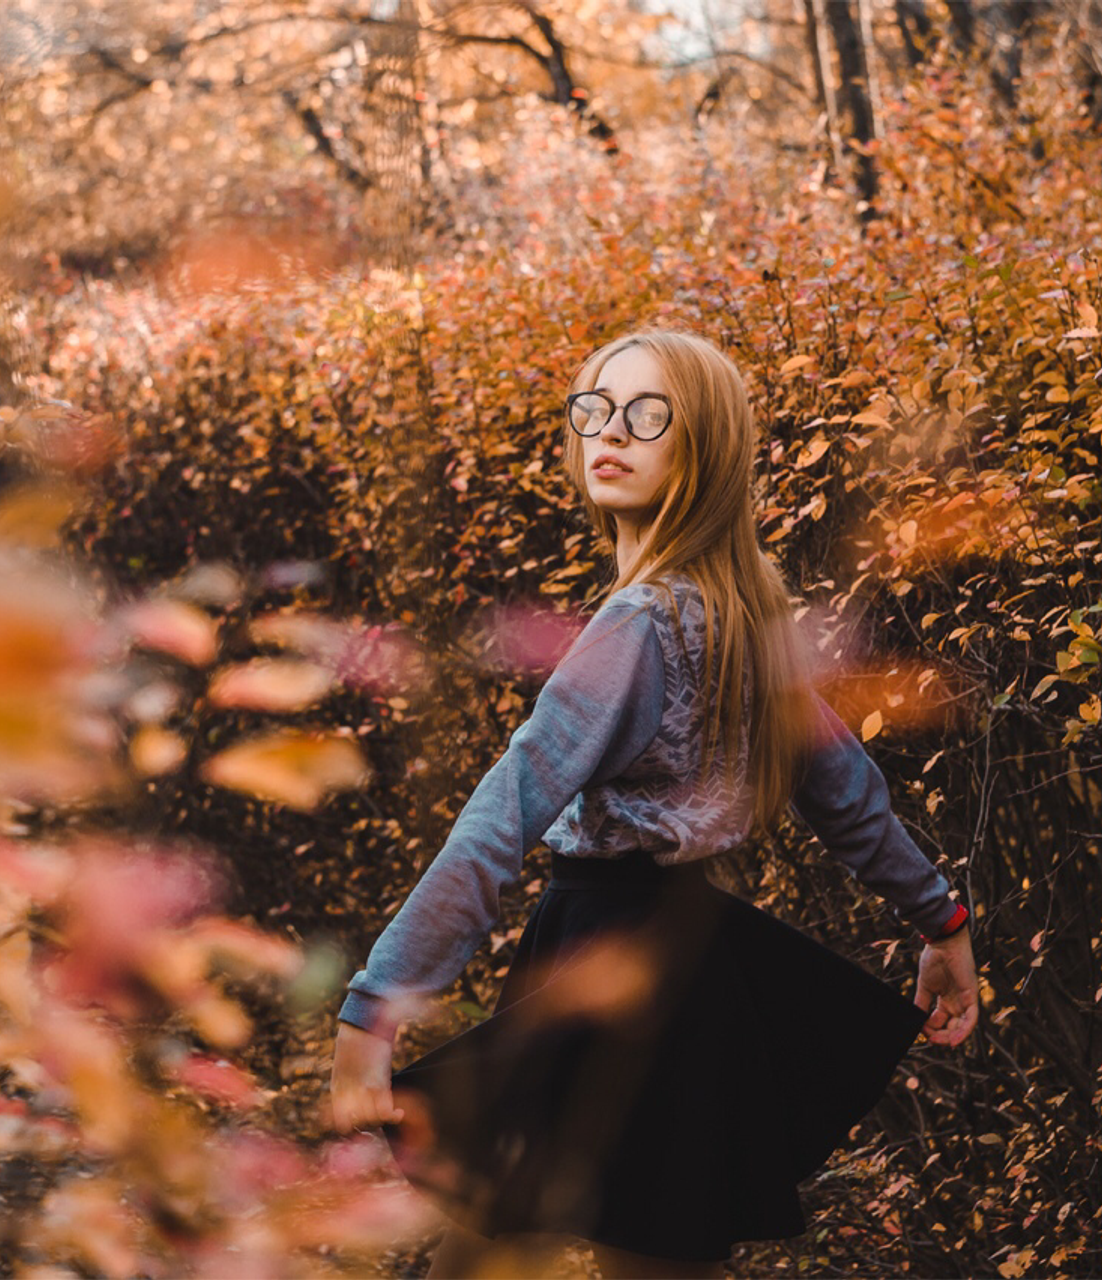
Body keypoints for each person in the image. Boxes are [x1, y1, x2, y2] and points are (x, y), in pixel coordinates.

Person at [329, 329, 979, 1279]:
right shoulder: (742, 616)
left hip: (610, 951)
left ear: (703, 446)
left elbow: (502, 815)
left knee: (525, 1243)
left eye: (647, 413)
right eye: (593, 407)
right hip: (681, 954)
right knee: (568, 1239)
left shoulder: (638, 627)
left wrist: (374, 1008)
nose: (610, 430)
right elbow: (847, 794)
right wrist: (942, 918)